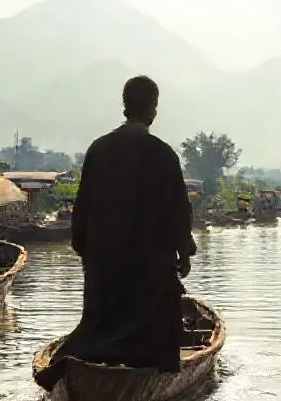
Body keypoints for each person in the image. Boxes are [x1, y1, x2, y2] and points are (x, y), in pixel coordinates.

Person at [56, 75, 196, 375]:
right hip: (150, 268)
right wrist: (183, 253)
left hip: (105, 263)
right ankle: (147, 374)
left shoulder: (99, 149)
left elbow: (83, 207)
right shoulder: (163, 155)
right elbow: (178, 211)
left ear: (125, 106)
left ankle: (91, 367)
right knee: (156, 319)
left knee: (100, 320)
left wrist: (86, 248)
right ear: (153, 109)